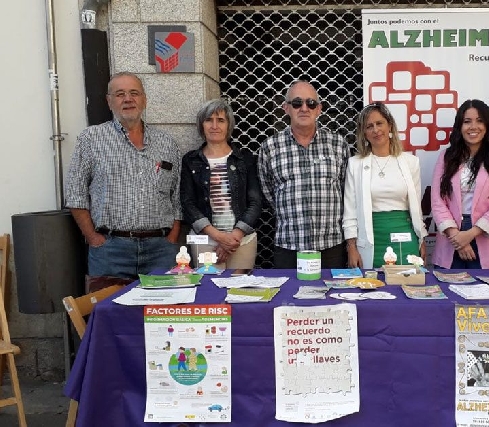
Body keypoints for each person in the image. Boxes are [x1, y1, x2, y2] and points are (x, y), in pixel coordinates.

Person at [65, 71, 181, 279]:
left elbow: (178, 194)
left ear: (144, 100)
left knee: (163, 310)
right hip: (110, 251)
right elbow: (75, 193)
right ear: (109, 102)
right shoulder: (91, 139)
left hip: (161, 250)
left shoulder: (167, 143)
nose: (128, 99)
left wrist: (172, 237)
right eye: (120, 94)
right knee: (111, 309)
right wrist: (93, 238)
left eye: (134, 93)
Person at [258, 80, 350, 268]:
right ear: (286, 108)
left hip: (331, 246)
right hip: (289, 245)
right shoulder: (270, 147)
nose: (304, 108)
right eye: (297, 103)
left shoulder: (338, 144)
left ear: (319, 109)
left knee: (333, 297)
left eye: (311, 103)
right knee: (288, 297)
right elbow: (268, 193)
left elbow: (346, 190)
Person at [431, 99, 489, 269]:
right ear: (459, 127)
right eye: (467, 122)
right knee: (448, 290)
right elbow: (437, 200)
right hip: (451, 237)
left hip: (487, 236)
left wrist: (470, 234)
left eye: (479, 121)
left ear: (488, 125)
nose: (473, 127)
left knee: (488, 292)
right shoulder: (447, 157)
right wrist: (457, 237)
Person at [343, 102, 426, 268]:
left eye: (379, 123)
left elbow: (416, 208)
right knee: (372, 289)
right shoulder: (355, 164)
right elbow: (350, 210)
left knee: (407, 285)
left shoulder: (411, 162)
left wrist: (422, 239)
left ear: (390, 126)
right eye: (369, 126)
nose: (375, 130)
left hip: (405, 237)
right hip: (370, 239)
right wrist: (351, 246)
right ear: (364, 133)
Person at [180, 99, 261, 269]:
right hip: (203, 239)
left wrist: (233, 237)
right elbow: (187, 203)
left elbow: (255, 201)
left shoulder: (244, 159)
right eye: (209, 120)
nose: (214, 125)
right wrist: (218, 237)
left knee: (241, 291)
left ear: (229, 125)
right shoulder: (191, 160)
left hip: (241, 240)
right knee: (208, 290)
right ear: (201, 125)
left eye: (221, 120)